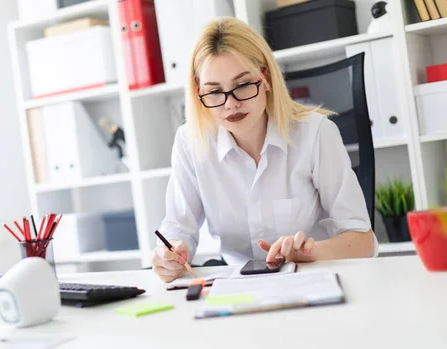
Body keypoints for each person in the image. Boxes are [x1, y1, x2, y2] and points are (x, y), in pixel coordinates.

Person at [152, 17, 376, 282]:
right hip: (237, 287)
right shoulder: (191, 142)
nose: (230, 104)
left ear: (265, 78)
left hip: (314, 279)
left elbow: (363, 241)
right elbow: (178, 230)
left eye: (243, 85)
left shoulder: (315, 133)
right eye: (214, 92)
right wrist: (171, 256)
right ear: (199, 93)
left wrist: (312, 252)